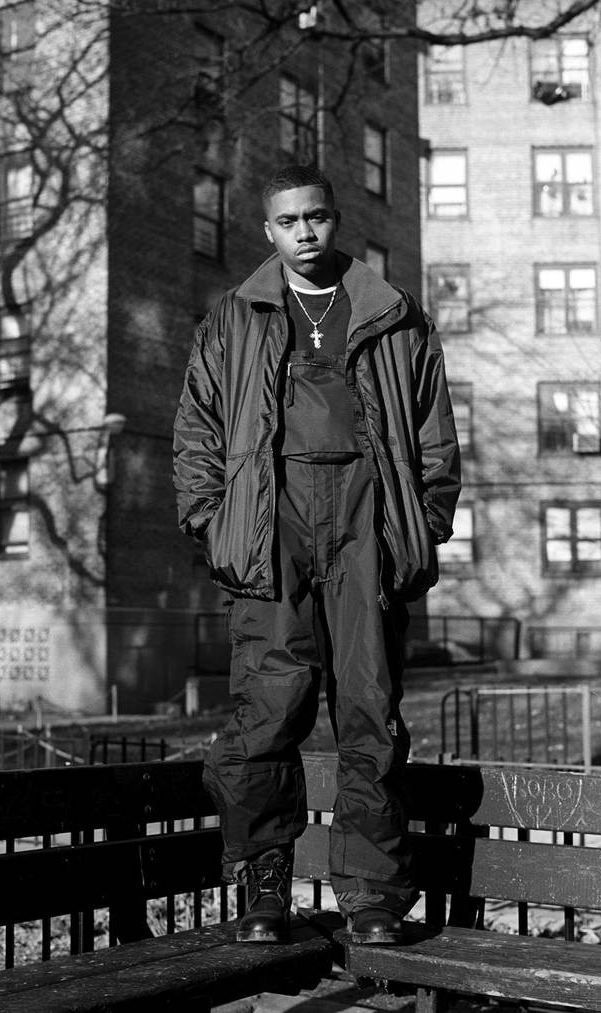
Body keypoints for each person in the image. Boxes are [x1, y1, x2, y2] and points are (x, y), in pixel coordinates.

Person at [173, 164, 460, 945]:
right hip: (273, 534)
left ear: (337, 221)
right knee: (266, 714)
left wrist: (419, 527)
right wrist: (212, 523)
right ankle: (263, 889)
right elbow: (198, 431)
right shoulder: (234, 319)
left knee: (369, 714)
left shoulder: (394, 316)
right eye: (288, 220)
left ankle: (372, 895)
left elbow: (435, 436)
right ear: (267, 229)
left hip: (367, 528)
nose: (304, 231)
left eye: (318, 217)